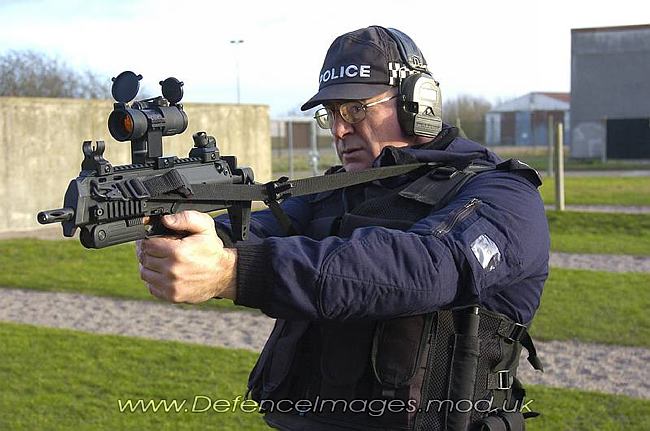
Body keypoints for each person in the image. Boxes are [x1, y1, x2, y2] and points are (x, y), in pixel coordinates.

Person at [136, 26, 549, 431]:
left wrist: (232, 271)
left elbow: (426, 267)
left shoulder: (502, 193)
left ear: (417, 102)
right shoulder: (339, 190)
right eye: (331, 114)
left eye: (355, 110)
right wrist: (187, 233)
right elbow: (260, 227)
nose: (338, 130)